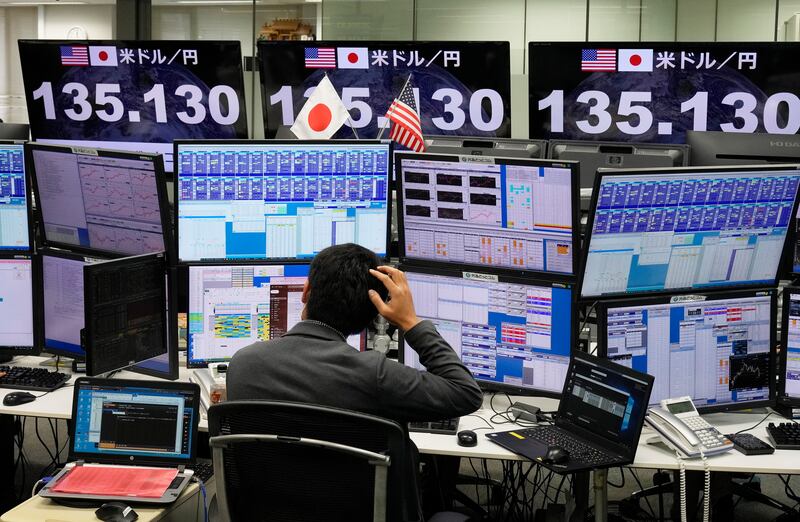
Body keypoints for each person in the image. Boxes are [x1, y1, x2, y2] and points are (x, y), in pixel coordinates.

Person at [226, 243, 483, 423]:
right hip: (357, 501)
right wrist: (410, 322)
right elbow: (466, 393)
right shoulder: (375, 375)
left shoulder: (244, 364)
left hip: (265, 501)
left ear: (305, 292)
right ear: (373, 316)